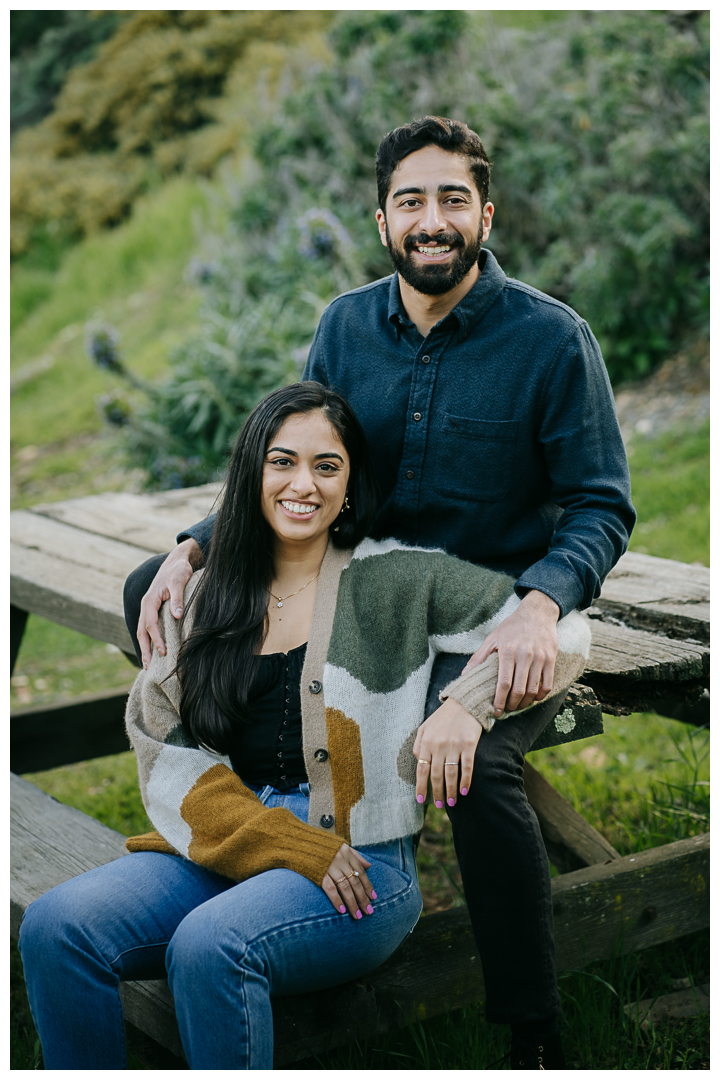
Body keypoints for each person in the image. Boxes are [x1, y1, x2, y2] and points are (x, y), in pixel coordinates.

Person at [123, 117, 635, 1069]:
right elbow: (299, 452)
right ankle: (256, 823)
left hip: (489, 617)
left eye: (451, 200)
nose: (431, 220)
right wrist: (200, 545)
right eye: (412, 202)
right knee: (153, 587)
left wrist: (541, 602)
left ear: (485, 211)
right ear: (382, 218)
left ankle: (534, 1031)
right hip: (352, 591)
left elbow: (600, 506)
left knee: (474, 772)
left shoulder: (553, 340)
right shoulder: (345, 324)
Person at [19, 383, 591, 1070]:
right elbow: (161, 739)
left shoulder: (397, 584)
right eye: (282, 461)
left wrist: (468, 705)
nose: (303, 484)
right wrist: (279, 841)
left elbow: (563, 633)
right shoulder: (206, 594)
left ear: (349, 487)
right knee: (55, 927)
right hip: (227, 840)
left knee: (209, 948)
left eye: (327, 467)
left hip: (360, 864)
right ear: (251, 475)